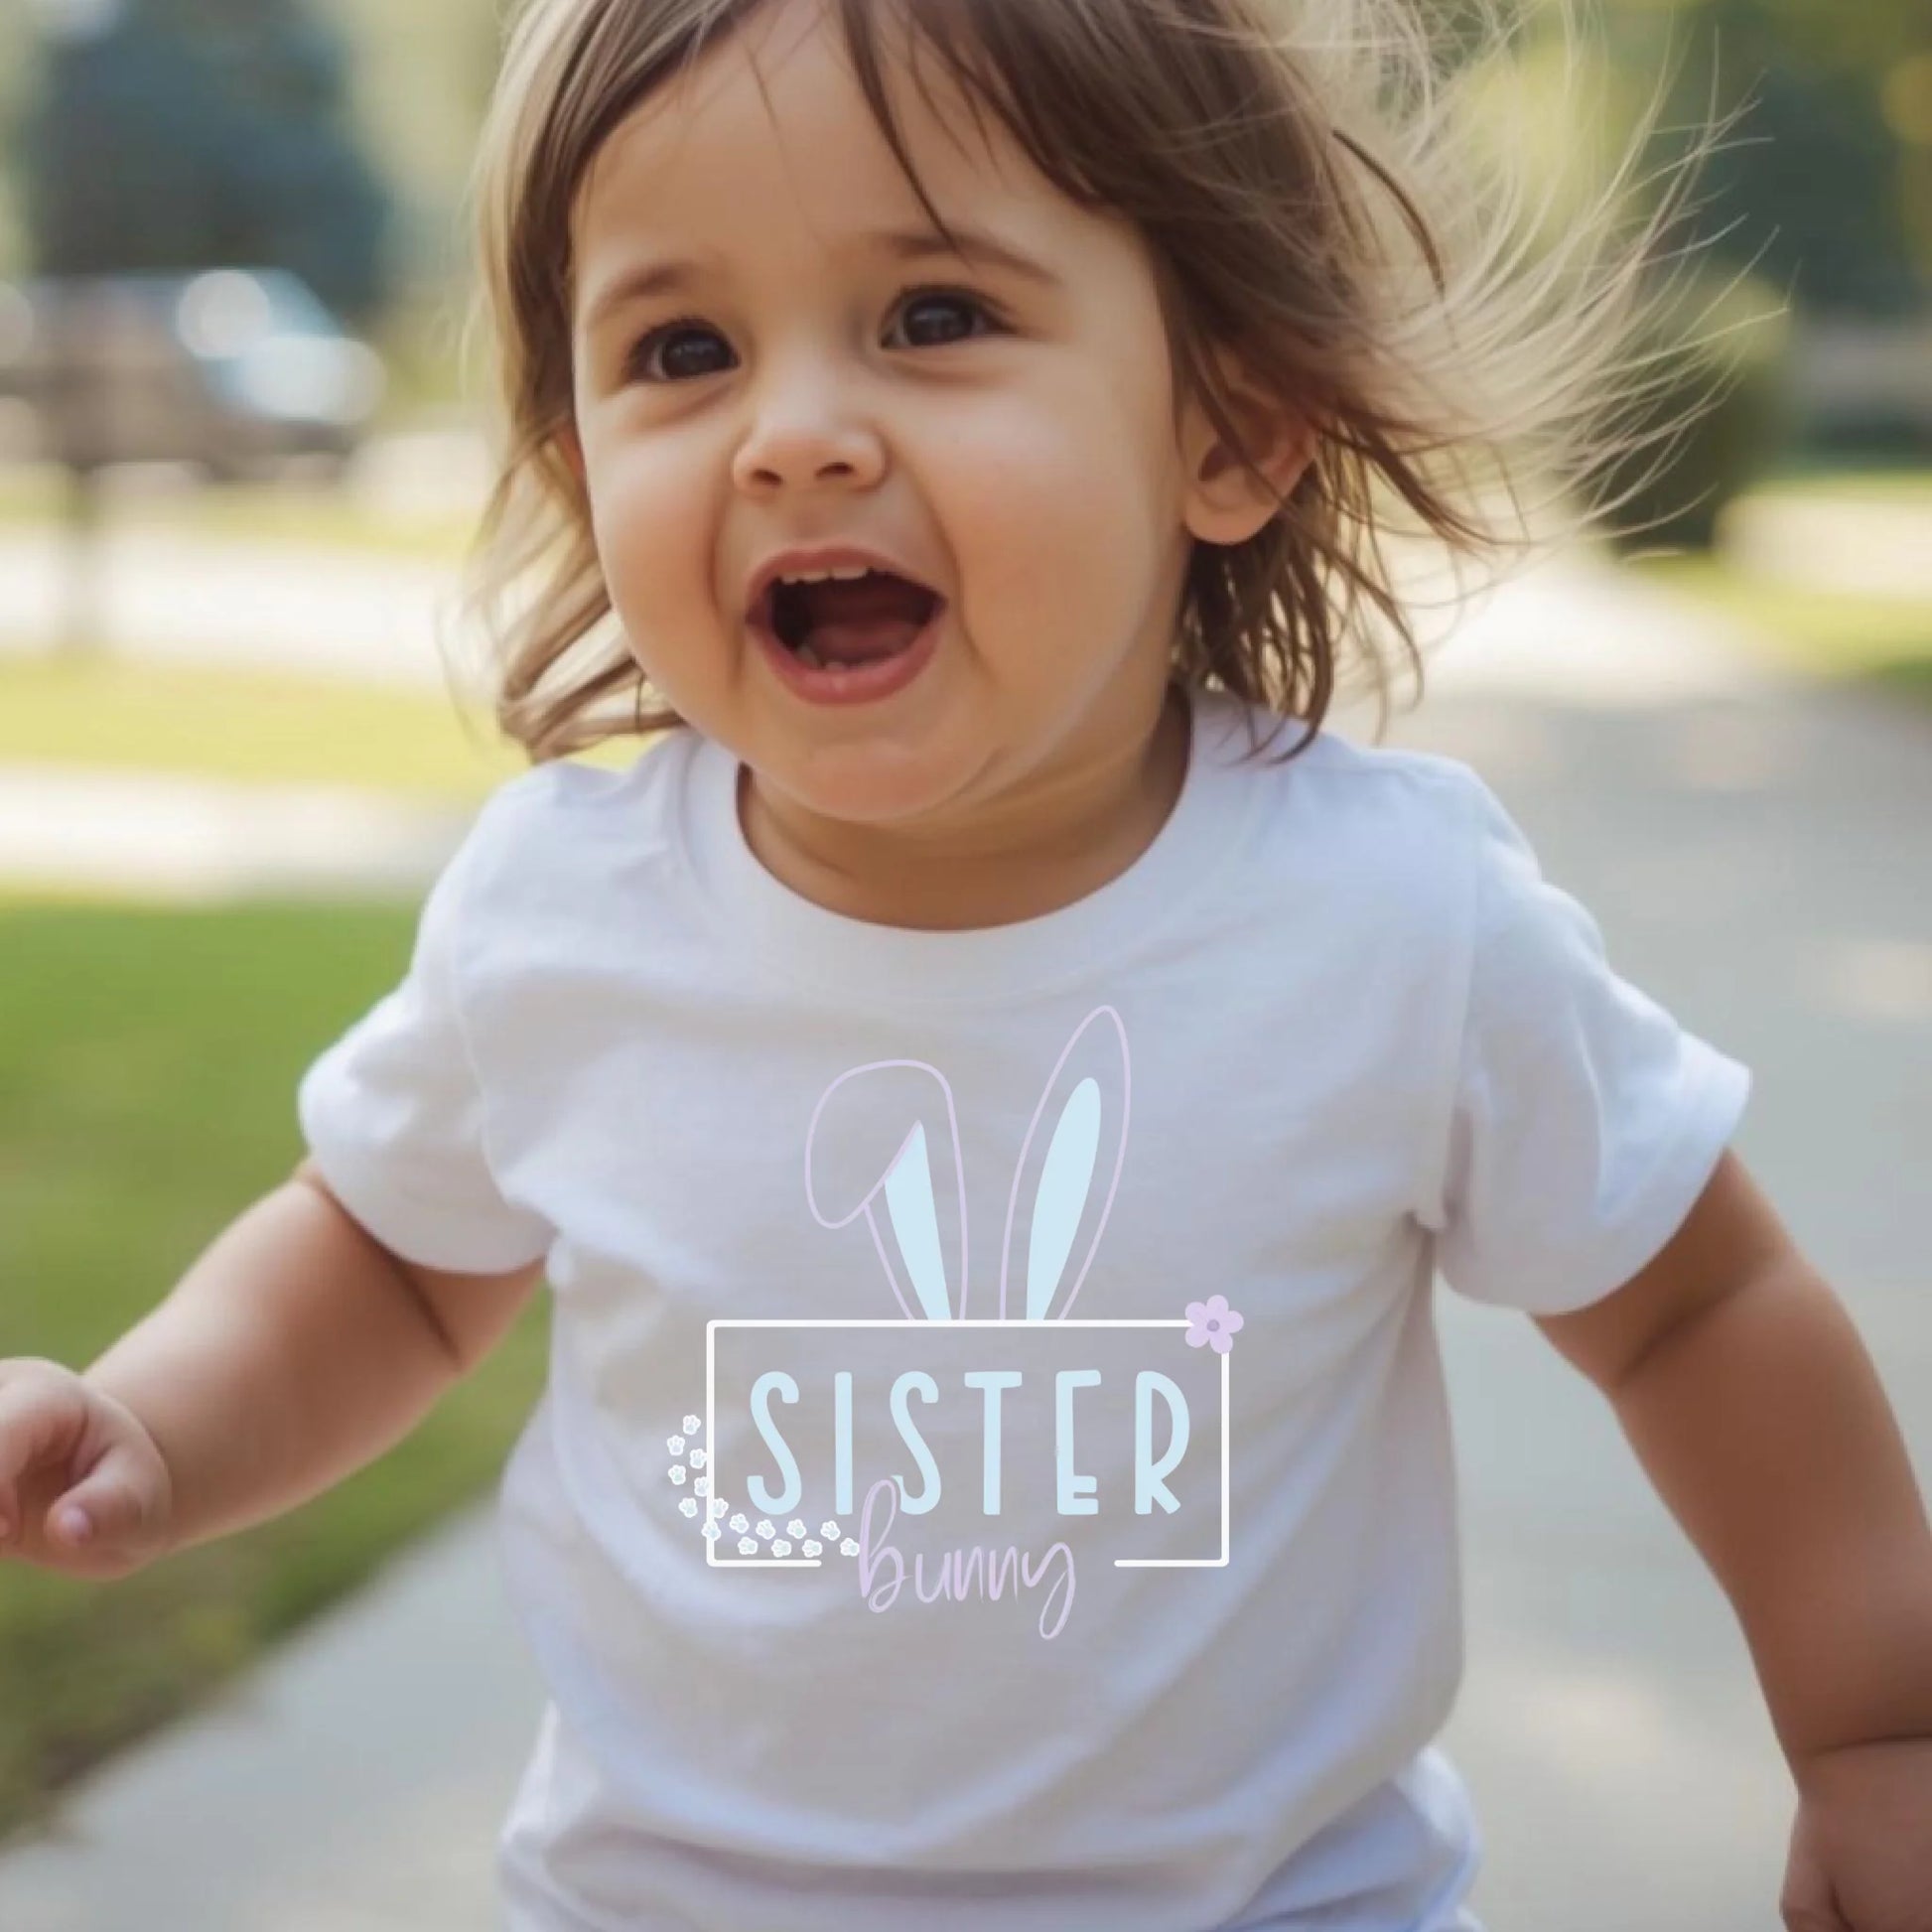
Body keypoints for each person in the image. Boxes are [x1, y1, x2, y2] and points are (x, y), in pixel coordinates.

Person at [3, 0, 1928, 1926]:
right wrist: (160, 1426)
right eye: (682, 349)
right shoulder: (561, 923)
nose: (794, 436)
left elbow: (1695, 1307)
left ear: (1231, 422)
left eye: (931, 316)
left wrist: (1875, 1733)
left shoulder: (1391, 922)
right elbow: (386, 1257)